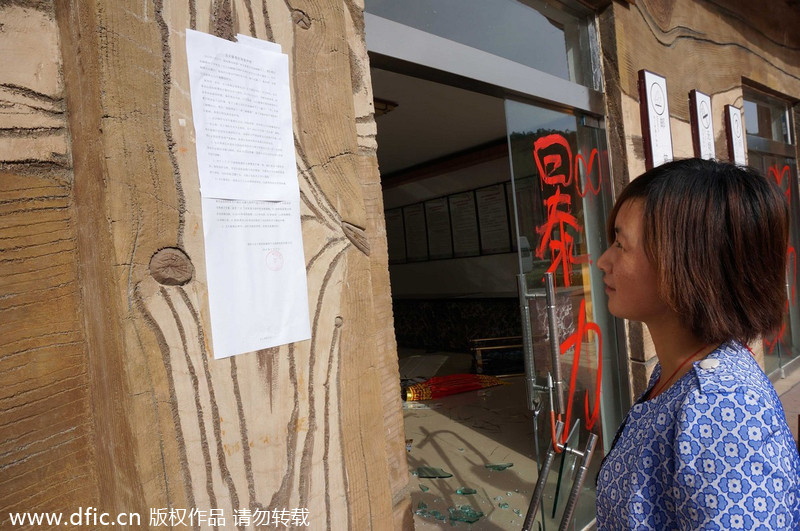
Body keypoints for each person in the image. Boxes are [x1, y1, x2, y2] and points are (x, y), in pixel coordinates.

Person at [595, 158, 800, 529]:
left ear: (688, 262)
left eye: (621, 245)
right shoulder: (679, 369)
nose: (602, 261)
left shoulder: (723, 408)